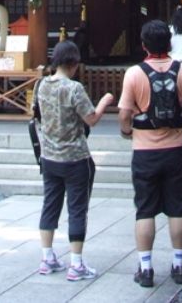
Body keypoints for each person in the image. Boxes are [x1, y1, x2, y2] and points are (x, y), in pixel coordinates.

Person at [118, 19, 182, 288]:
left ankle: (146, 269)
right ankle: (179, 265)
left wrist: (127, 131)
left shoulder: (134, 73)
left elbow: (124, 115)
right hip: (176, 150)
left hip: (145, 151)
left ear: (143, 45)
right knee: (177, 209)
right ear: (169, 43)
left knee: (145, 210)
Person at [34, 41, 114, 282]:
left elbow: (36, 114)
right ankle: (76, 263)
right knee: (77, 209)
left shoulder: (41, 85)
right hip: (75, 157)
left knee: (50, 205)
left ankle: (47, 257)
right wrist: (105, 101)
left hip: (49, 156)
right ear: (73, 63)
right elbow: (91, 119)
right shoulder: (74, 88)